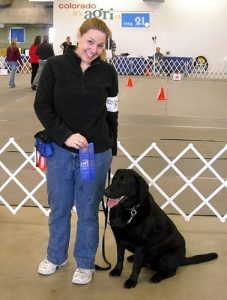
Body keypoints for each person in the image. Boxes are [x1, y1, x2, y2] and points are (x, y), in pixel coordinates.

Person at [34, 17, 118, 285]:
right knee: (58, 208)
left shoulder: (108, 73)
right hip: (59, 152)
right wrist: (66, 136)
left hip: (92, 155)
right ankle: (56, 256)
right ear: (78, 37)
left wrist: (110, 147)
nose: (93, 49)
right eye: (89, 41)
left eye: (100, 45)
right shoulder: (55, 67)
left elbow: (112, 113)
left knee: (87, 210)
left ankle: (84, 262)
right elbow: (42, 106)